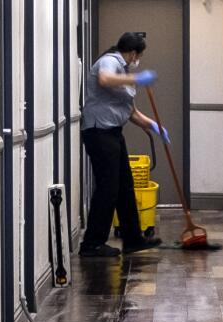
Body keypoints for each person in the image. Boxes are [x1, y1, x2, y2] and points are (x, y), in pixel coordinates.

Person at [79, 32, 171, 257]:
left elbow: (131, 112)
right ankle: (92, 244)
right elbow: (104, 79)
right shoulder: (109, 61)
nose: (138, 60)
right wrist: (137, 79)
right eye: (139, 55)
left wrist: (155, 126)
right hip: (99, 132)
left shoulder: (124, 71)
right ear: (133, 53)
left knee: (125, 186)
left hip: (112, 133)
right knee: (108, 187)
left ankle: (133, 239)